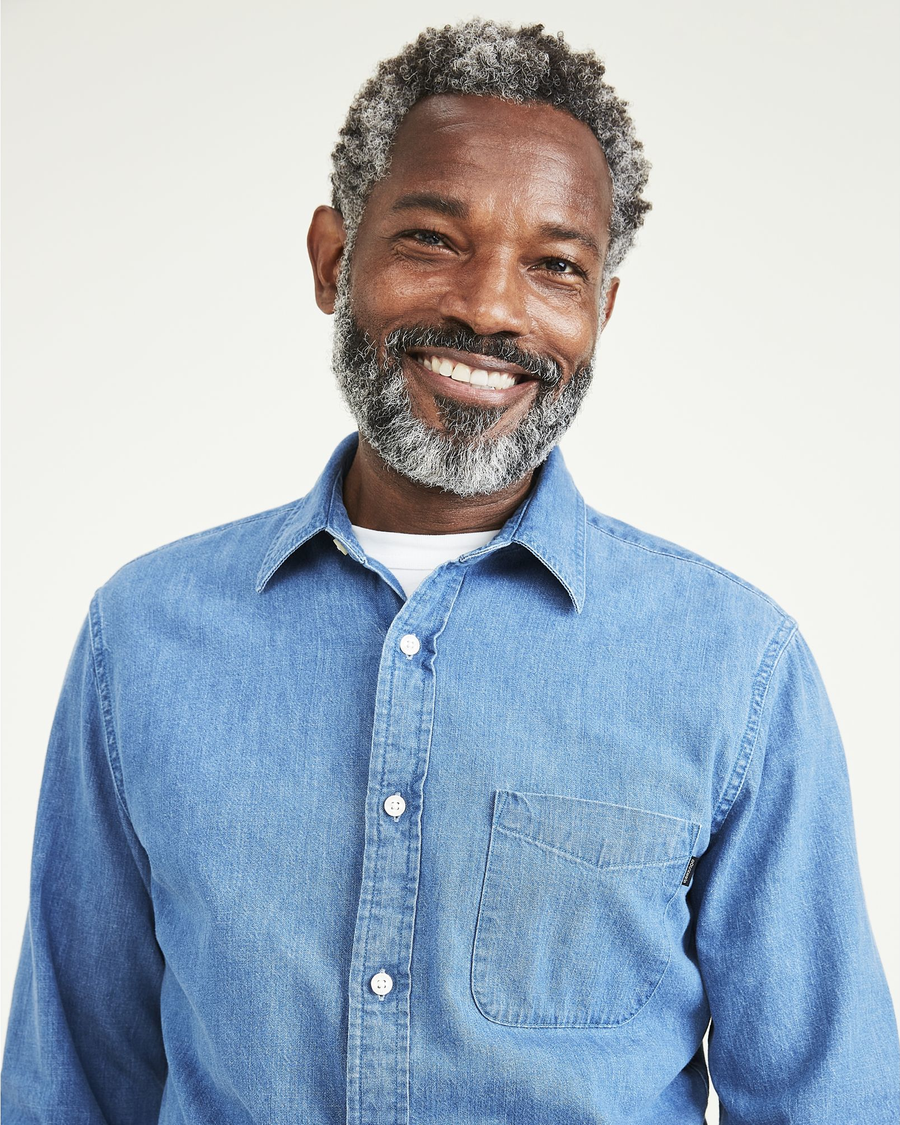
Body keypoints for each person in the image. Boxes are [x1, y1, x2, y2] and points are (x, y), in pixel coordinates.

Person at [2, 17, 898, 1124]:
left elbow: (831, 1102)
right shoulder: (140, 636)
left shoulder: (736, 668)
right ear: (336, 258)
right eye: (432, 240)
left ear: (600, 312)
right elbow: (70, 1087)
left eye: (557, 266)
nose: (490, 307)